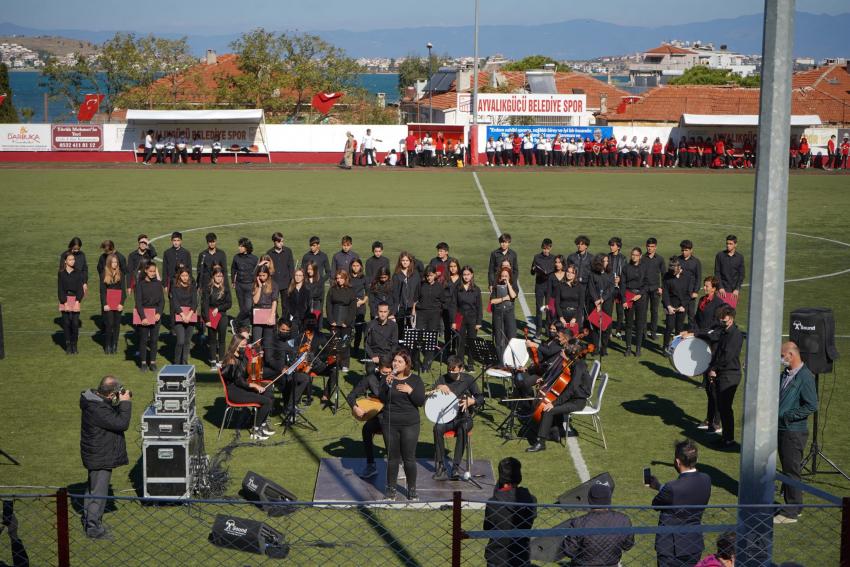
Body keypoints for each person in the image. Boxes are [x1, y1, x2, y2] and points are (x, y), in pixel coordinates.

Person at [79, 375, 132, 539]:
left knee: (93, 489)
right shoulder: (97, 408)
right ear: (110, 394)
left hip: (97, 452)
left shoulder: (95, 401)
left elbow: (111, 416)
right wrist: (125, 403)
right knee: (98, 493)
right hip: (100, 455)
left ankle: (90, 520)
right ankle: (94, 529)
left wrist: (118, 401)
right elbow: (122, 423)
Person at [684, 305, 743, 448]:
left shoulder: (735, 335)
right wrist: (693, 333)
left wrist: (714, 369)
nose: (722, 322)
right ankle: (725, 438)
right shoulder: (723, 331)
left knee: (726, 408)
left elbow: (727, 356)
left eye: (724, 319)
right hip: (723, 372)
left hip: (730, 374)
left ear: (731, 318)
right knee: (722, 407)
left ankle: (728, 440)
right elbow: (710, 334)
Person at [647, 439, 712, 567]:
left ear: (677, 462)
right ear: (696, 460)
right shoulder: (706, 479)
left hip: (670, 549)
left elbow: (656, 504)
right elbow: (681, 494)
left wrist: (661, 488)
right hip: (693, 544)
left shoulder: (671, 488)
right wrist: (660, 486)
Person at [775, 341, 819, 524]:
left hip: (793, 431)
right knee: (788, 468)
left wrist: (789, 416)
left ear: (791, 355)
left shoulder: (805, 377)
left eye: (782, 355)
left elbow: (812, 404)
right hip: (784, 429)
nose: (781, 359)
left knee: (791, 470)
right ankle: (793, 506)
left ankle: (791, 511)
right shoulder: (785, 375)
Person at [527, 330, 593, 452]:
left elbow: (572, 388)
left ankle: (541, 442)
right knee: (550, 406)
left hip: (577, 401)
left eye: (566, 348)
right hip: (572, 397)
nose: (563, 349)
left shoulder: (578, 366)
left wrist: (554, 402)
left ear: (572, 352)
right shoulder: (573, 363)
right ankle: (555, 432)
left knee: (548, 410)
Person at [380, 349, 425, 500]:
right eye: (394, 361)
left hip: (410, 424)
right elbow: (382, 398)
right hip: (390, 422)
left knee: (409, 458)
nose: (396, 364)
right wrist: (386, 385)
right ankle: (391, 489)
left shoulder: (416, 380)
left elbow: (420, 401)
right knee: (392, 457)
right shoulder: (388, 378)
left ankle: (412, 489)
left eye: (400, 361)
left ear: (407, 364)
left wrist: (410, 390)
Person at [432, 356, 483, 480]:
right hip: (447, 418)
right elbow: (431, 395)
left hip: (463, 417)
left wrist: (472, 401)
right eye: (449, 370)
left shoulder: (469, 379)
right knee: (437, 428)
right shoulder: (443, 379)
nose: (451, 373)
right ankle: (440, 466)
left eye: (454, 371)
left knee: (463, 429)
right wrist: (438, 388)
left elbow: (481, 398)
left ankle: (455, 466)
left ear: (461, 369)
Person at [561, 483, 634, 567]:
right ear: (609, 499)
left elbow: (569, 551)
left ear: (589, 499)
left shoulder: (578, 522)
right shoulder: (623, 520)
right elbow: (628, 545)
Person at [483, 457, 537, 567]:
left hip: (497, 557)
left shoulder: (493, 502)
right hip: (521, 556)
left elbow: (488, 527)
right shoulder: (531, 500)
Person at [221, 335, 276, 440]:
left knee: (269, 392)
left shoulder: (241, 356)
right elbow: (239, 381)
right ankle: (256, 429)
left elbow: (246, 374)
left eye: (245, 345)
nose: (245, 347)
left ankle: (262, 424)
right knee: (267, 401)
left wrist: (254, 360)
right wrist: (254, 385)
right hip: (235, 392)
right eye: (242, 345)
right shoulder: (231, 360)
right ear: (235, 345)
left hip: (241, 388)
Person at [349, 355, 392, 480]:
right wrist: (355, 407)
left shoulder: (397, 378)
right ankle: (371, 464)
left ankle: (395, 463)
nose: (387, 375)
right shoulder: (370, 379)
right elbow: (351, 395)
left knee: (385, 425)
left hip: (395, 413)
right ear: (379, 369)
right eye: (385, 372)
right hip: (378, 412)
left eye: (390, 372)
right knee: (367, 429)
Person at [324, 269, 355, 380]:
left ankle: (345, 364)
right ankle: (333, 362)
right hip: (334, 319)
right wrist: (331, 320)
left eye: (341, 278)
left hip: (346, 321)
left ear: (345, 278)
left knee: (345, 343)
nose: (338, 280)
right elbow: (328, 305)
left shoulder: (351, 291)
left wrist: (347, 322)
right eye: (337, 278)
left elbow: (352, 308)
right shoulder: (332, 290)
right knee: (334, 342)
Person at [621, 247, 651, 357]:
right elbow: (622, 284)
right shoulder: (626, 268)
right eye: (632, 254)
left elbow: (647, 283)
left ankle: (638, 348)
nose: (634, 257)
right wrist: (624, 300)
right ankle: (628, 347)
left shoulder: (645, 268)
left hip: (640, 298)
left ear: (640, 256)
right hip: (628, 296)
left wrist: (640, 294)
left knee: (639, 324)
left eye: (636, 255)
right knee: (628, 324)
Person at [452, 265, 483, 369]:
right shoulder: (457, 289)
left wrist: (478, 322)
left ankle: (470, 363)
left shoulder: (476, 289)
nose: (466, 277)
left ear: (472, 275)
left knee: (472, 341)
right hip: (460, 318)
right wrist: (454, 322)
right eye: (464, 274)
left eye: (468, 274)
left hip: (472, 318)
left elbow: (479, 307)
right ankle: (460, 363)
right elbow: (454, 305)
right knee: (460, 341)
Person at [135, 262, 164, 372]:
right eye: (151, 271)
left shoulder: (158, 284)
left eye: (154, 271)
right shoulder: (140, 285)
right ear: (146, 271)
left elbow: (162, 301)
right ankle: (143, 362)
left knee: (154, 340)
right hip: (144, 316)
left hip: (155, 315)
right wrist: (143, 317)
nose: (153, 273)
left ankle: (152, 362)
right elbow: (138, 302)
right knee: (143, 339)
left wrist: (159, 313)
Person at [415, 266, 444, 372]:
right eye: (427, 276)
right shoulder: (421, 285)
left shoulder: (439, 287)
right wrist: (414, 310)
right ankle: (416, 362)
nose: (429, 278)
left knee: (431, 339)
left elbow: (442, 301)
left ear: (435, 275)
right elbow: (415, 298)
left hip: (434, 315)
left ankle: (427, 363)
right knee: (419, 338)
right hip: (421, 314)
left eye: (431, 276)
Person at [202, 266, 231, 368]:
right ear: (213, 277)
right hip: (211, 317)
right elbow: (204, 304)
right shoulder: (208, 288)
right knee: (212, 340)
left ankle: (222, 361)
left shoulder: (225, 288)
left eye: (221, 276)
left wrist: (218, 308)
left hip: (222, 316)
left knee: (222, 340)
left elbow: (229, 303)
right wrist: (207, 319)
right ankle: (213, 361)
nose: (219, 278)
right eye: (217, 276)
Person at [661, 259, 693, 350]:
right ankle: (665, 347)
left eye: (674, 272)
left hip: (682, 306)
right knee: (669, 326)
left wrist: (683, 305)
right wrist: (668, 306)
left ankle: (676, 347)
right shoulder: (667, 276)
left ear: (679, 267)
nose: (673, 274)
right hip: (670, 305)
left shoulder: (687, 276)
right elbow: (665, 293)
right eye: (671, 271)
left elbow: (688, 293)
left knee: (679, 328)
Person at [588, 254, 615, 356]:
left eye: (607, 261)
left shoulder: (610, 274)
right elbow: (591, 288)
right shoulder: (593, 274)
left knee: (606, 326)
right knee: (595, 327)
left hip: (606, 303)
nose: (606, 263)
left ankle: (604, 348)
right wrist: (596, 300)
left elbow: (611, 288)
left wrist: (603, 299)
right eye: (604, 261)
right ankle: (595, 348)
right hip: (595, 303)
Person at [58, 251, 85, 354]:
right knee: (66, 323)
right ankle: (68, 345)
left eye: (73, 259)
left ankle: (75, 345)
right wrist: (64, 302)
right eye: (70, 259)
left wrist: (78, 300)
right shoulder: (61, 273)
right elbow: (60, 289)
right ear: (65, 261)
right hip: (64, 298)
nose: (72, 261)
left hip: (75, 299)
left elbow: (80, 288)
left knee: (74, 323)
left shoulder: (78, 272)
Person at [99, 253, 126, 355]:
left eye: (116, 262)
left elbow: (123, 291)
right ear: (109, 263)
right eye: (113, 262)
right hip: (108, 303)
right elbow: (102, 291)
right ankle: (107, 344)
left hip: (118, 302)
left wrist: (121, 303)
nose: (115, 264)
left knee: (116, 324)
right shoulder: (104, 274)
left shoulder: (121, 274)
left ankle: (115, 344)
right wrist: (104, 304)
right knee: (109, 324)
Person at [170, 267, 197, 365]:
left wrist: (189, 316)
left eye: (186, 275)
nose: (185, 278)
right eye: (183, 276)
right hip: (179, 317)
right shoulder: (175, 288)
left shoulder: (192, 287)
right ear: (179, 276)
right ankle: (177, 362)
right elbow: (175, 303)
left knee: (187, 342)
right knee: (180, 341)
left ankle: (184, 362)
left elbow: (195, 303)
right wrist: (183, 315)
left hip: (190, 317)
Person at [364, 301, 398, 377]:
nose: (383, 314)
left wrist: (386, 358)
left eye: (385, 312)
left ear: (388, 312)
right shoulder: (370, 325)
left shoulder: (393, 326)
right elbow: (366, 344)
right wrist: (372, 356)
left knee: (393, 371)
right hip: (374, 355)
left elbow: (395, 344)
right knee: (370, 370)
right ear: (377, 311)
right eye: (381, 311)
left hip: (388, 355)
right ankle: (374, 387)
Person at [231, 237, 259, 329]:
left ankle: (235, 322)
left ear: (246, 247)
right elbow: (233, 269)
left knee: (247, 308)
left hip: (250, 285)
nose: (239, 248)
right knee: (242, 308)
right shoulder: (236, 257)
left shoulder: (254, 259)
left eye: (241, 246)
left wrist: (256, 285)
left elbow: (257, 272)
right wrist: (233, 281)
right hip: (239, 285)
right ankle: (244, 328)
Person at [530, 238, 555, 336]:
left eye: (547, 249)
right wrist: (533, 269)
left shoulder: (553, 258)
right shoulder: (537, 257)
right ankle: (538, 330)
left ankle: (548, 330)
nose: (546, 251)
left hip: (549, 286)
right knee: (539, 308)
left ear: (551, 248)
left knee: (548, 308)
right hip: (539, 285)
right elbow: (532, 272)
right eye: (544, 248)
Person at [392, 252, 420, 336]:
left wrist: (414, 306)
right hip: (400, 306)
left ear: (410, 261)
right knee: (399, 328)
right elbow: (394, 293)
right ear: (400, 261)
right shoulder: (396, 275)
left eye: (407, 260)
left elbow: (417, 291)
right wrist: (394, 310)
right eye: (403, 260)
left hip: (412, 307)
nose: (405, 262)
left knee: (411, 328)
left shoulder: (415, 274)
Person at [251, 264, 278, 353]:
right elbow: (255, 301)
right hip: (258, 313)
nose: (262, 277)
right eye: (260, 275)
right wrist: (259, 286)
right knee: (256, 342)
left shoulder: (274, 285)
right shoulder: (255, 284)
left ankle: (267, 361)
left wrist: (271, 316)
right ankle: (256, 363)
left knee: (268, 342)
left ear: (268, 275)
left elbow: (274, 302)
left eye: (264, 275)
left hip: (268, 312)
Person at [714, 235, 745, 305]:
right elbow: (717, 272)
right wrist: (720, 287)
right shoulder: (720, 255)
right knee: (719, 313)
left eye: (730, 244)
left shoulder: (740, 258)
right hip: (722, 291)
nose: (728, 245)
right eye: (727, 243)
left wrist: (737, 289)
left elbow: (741, 275)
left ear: (735, 245)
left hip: (733, 292)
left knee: (730, 314)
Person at [678, 240, 702, 330]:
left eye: (686, 250)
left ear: (691, 250)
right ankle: (678, 334)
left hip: (691, 293)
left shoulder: (696, 262)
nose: (684, 252)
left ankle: (691, 333)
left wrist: (695, 291)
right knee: (680, 316)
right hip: (679, 293)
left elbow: (698, 278)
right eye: (682, 250)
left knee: (691, 315)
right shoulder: (678, 260)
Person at [267, 232, 294, 309]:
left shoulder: (288, 251)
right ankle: (274, 319)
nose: (281, 243)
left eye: (282, 241)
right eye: (279, 242)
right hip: (274, 283)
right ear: (275, 242)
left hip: (286, 283)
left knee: (286, 304)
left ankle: (285, 320)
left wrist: (291, 280)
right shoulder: (269, 253)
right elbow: (268, 269)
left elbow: (291, 266)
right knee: (273, 303)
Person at [349, 258, 369, 355]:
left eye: (357, 265)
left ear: (360, 266)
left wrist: (362, 301)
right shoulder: (348, 277)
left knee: (359, 328)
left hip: (360, 306)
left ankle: (356, 348)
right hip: (349, 306)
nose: (355, 268)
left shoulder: (364, 278)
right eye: (354, 266)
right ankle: (347, 347)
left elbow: (368, 292)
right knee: (349, 327)